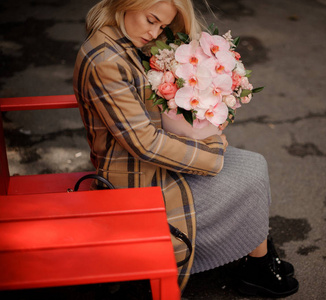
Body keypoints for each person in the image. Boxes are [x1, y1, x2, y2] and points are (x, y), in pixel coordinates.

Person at [73, 0, 299, 297]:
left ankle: (256, 258)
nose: (154, 33)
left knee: (254, 165)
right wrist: (212, 149)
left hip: (152, 164)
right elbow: (144, 143)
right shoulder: (105, 59)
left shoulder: (123, 41)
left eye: (162, 26)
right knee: (250, 176)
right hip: (135, 183)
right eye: (151, 20)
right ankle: (257, 264)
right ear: (127, 4)